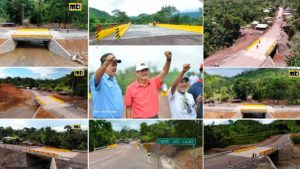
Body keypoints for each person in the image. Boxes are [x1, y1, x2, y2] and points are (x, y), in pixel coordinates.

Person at [125, 51, 172, 118]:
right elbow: (128, 108)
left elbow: (165, 71)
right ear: (137, 73)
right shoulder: (130, 88)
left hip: (155, 117)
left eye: (146, 70)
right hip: (138, 119)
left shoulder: (154, 82)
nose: (144, 72)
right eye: (142, 70)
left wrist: (168, 59)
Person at [90, 53, 123, 118]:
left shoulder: (113, 79)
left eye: (116, 65)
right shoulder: (99, 78)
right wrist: (106, 63)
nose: (115, 67)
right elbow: (96, 76)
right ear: (103, 65)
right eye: (112, 65)